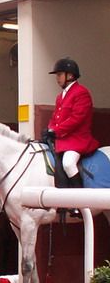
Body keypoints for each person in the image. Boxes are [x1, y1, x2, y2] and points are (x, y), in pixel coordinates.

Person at [46, 58, 99, 192]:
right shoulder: (60, 96)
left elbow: (76, 118)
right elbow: (55, 117)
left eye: (59, 75)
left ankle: (79, 199)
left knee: (68, 163)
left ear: (69, 75)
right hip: (62, 140)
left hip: (77, 140)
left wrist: (56, 131)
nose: (57, 78)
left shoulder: (81, 92)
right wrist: (49, 129)